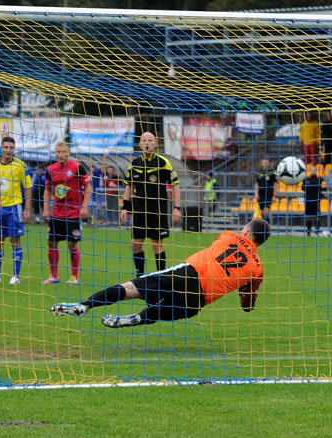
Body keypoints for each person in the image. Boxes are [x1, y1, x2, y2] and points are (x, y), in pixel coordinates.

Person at [51, 218, 270, 329]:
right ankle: (135, 319)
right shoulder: (257, 270)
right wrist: (245, 292)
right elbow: (247, 307)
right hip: (200, 298)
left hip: (188, 273)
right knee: (162, 310)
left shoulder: (228, 236)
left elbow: (219, 253)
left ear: (247, 231)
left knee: (133, 289)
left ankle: (85, 305)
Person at [121, 132, 181, 277]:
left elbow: (175, 185)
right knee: (136, 244)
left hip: (157, 210)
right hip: (139, 210)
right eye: (144, 140)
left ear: (155, 144)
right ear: (140, 144)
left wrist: (177, 208)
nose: (147, 143)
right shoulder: (134, 163)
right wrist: (124, 207)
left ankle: (160, 277)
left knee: (156, 244)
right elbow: (129, 186)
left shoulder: (163, 162)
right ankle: (139, 277)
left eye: (150, 140)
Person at [0, 136, 32, 285]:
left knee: (15, 240)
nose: (9, 150)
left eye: (11, 148)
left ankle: (16, 276)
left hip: (14, 208)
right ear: (1, 148)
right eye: (6, 147)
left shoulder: (20, 165)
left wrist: (27, 209)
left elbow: (28, 187)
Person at [41, 141, 91, 284]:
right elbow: (48, 190)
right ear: (55, 153)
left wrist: (84, 207)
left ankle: (74, 277)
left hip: (74, 213)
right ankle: (54, 276)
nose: (61, 155)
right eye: (58, 152)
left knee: (72, 244)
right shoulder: (51, 169)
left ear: (68, 153)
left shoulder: (77, 167)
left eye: (64, 152)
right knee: (51, 242)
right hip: (57, 213)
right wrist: (46, 209)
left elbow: (88, 187)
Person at [302, 165, 322, 236]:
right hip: (308, 200)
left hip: (316, 200)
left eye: (314, 169)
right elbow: (303, 188)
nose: (312, 171)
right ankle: (308, 232)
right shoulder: (306, 178)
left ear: (316, 170)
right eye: (311, 170)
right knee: (308, 217)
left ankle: (317, 232)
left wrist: (309, 186)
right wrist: (313, 187)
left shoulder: (319, 178)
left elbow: (319, 187)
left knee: (317, 217)